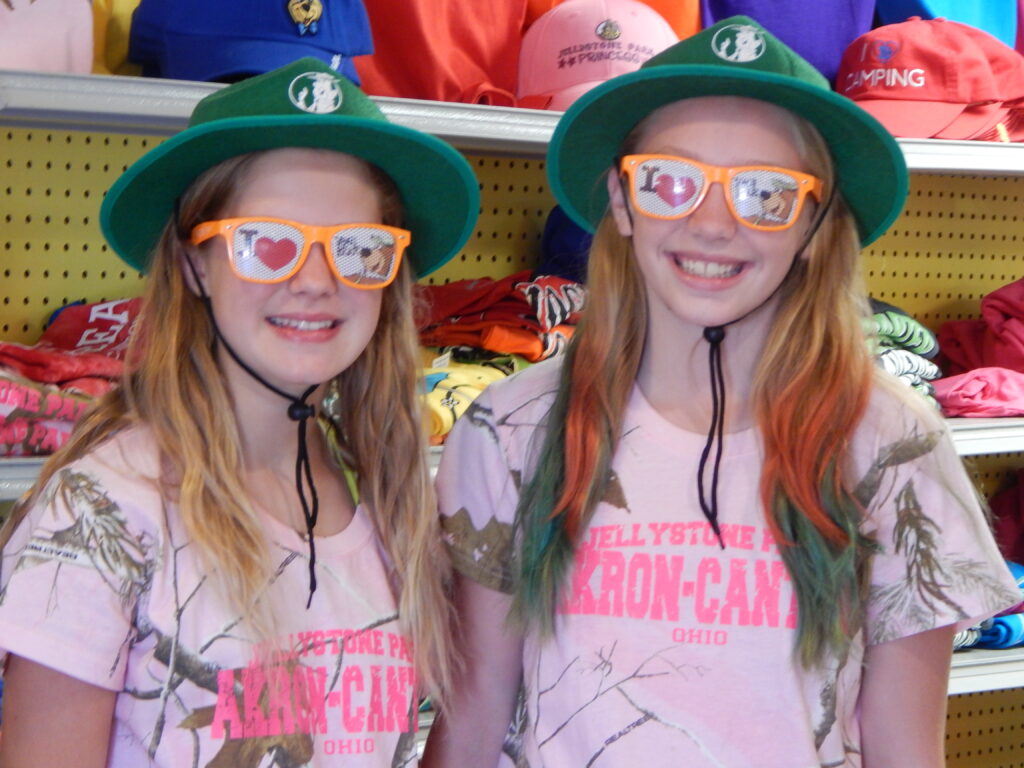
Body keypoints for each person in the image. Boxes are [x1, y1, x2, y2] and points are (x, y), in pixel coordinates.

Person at [423, 16, 1021, 768]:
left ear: (815, 223)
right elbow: (473, 714)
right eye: (669, 182)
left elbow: (905, 748)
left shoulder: (892, 446)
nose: (711, 223)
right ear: (621, 199)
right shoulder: (512, 429)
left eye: (765, 193)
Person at [0, 58, 479, 767]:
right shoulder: (106, 508)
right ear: (195, 264)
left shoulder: (388, 496)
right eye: (266, 244)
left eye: (358, 248)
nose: (315, 280)